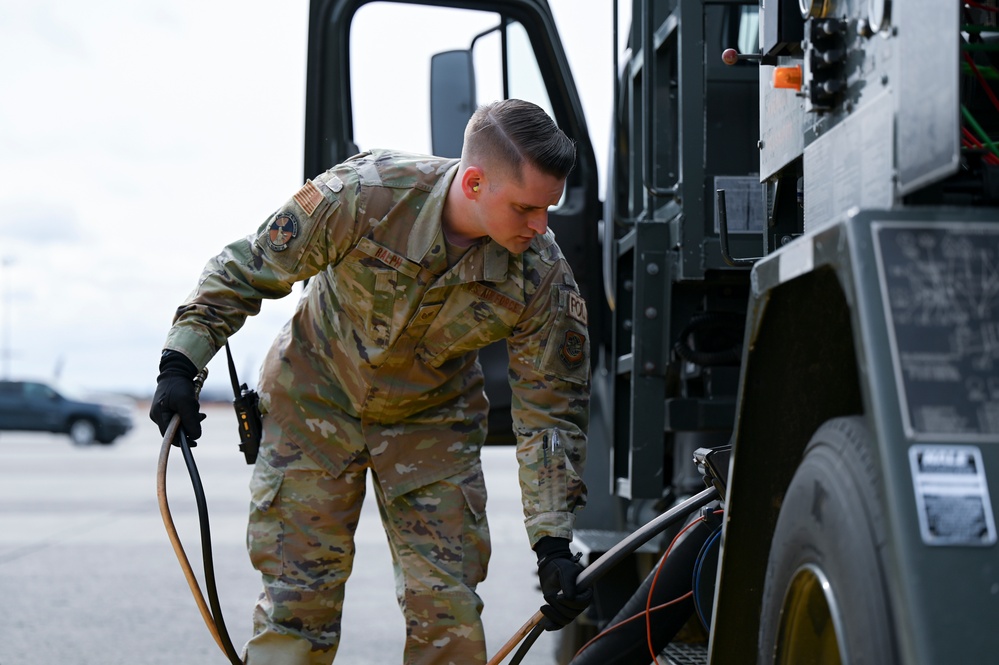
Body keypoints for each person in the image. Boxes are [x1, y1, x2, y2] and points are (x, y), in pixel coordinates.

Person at [150, 98, 592, 665]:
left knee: (449, 613)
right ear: (476, 182)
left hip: (432, 426)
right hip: (314, 403)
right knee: (296, 609)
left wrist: (552, 540)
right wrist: (180, 364)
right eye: (527, 207)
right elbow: (250, 266)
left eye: (548, 209)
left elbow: (550, 411)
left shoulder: (541, 275)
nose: (541, 226)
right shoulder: (366, 194)